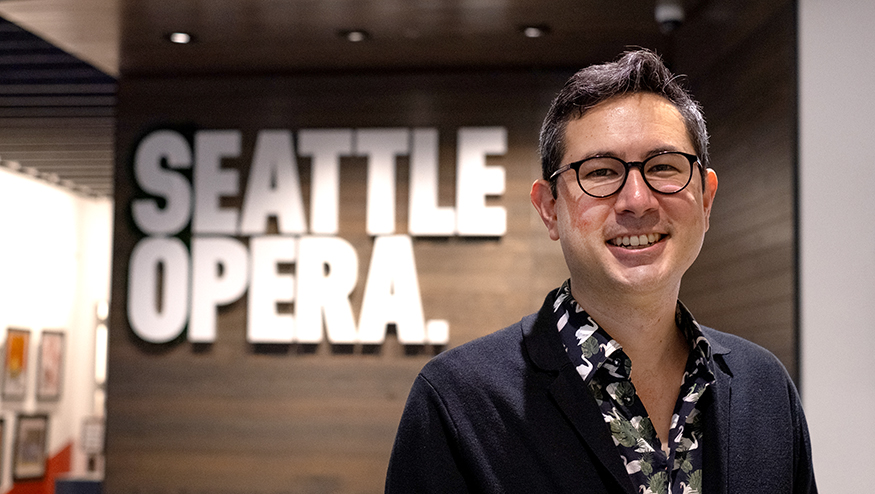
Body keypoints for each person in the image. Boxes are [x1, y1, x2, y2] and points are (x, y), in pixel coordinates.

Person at [385, 49, 816, 494]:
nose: (637, 200)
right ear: (549, 208)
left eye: (664, 166)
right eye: (602, 172)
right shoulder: (459, 402)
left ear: (705, 200)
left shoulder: (764, 389)